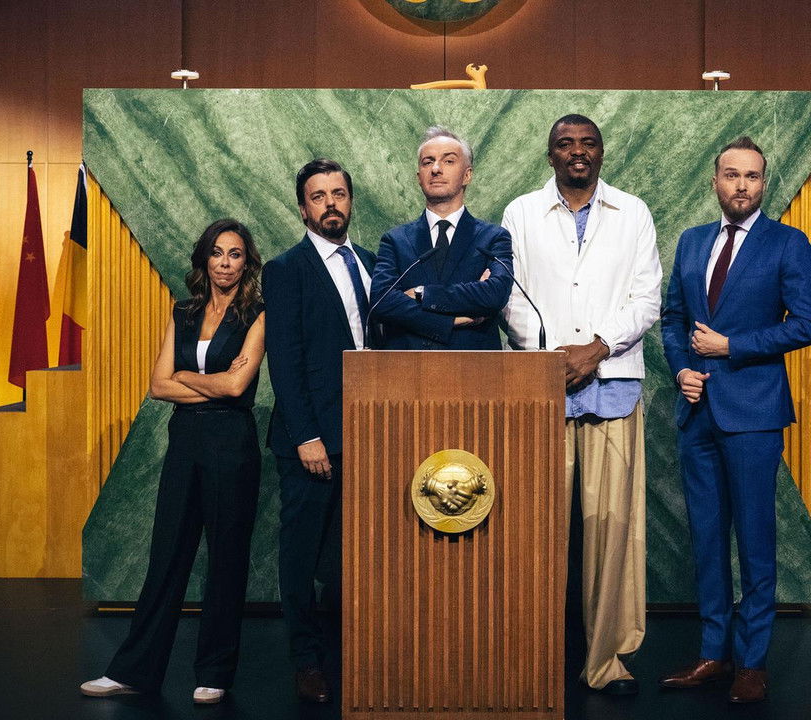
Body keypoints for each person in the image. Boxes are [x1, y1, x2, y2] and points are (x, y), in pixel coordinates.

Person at [499, 114, 662, 695]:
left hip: (612, 385)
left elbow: (647, 299)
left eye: (588, 143)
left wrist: (596, 348)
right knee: (532, 532)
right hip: (540, 390)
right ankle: (528, 661)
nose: (577, 151)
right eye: (565, 144)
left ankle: (607, 661)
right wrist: (551, 356)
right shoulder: (520, 213)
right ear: (550, 155)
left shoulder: (633, 212)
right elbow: (508, 296)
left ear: (601, 152)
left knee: (613, 533)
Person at [80, 218, 266, 706]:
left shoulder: (257, 314)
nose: (225, 263)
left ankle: (214, 673)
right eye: (218, 253)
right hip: (185, 442)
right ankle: (134, 672)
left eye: (235, 254)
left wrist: (186, 376)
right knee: (166, 558)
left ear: (246, 263)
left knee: (226, 560)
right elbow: (158, 385)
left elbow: (236, 386)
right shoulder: (183, 312)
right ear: (205, 258)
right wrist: (204, 382)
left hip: (232, 444)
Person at [659, 136, 811, 704]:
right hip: (697, 413)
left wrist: (732, 347)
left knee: (755, 542)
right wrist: (682, 370)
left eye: (752, 176)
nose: (742, 185)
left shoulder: (788, 243)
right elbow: (673, 319)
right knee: (706, 540)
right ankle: (713, 653)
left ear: (763, 183)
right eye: (731, 174)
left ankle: (752, 662)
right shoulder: (692, 241)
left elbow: (806, 322)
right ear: (716, 181)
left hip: (753, 415)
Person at [263, 158, 375, 704]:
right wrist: (307, 437)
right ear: (303, 208)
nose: (330, 204)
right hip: (311, 442)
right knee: (302, 556)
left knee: (353, 556)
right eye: (318, 196)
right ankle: (306, 661)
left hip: (368, 436)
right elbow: (284, 359)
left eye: (338, 194)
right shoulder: (286, 269)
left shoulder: (372, 262)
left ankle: (357, 655)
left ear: (350, 201)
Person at [369, 126, 513, 348]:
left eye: (448, 161)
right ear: (419, 177)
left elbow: (495, 294)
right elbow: (382, 301)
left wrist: (423, 293)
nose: (436, 169)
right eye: (428, 162)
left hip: (475, 365)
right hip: (407, 365)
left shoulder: (493, 238)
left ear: (467, 175)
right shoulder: (395, 240)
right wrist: (449, 322)